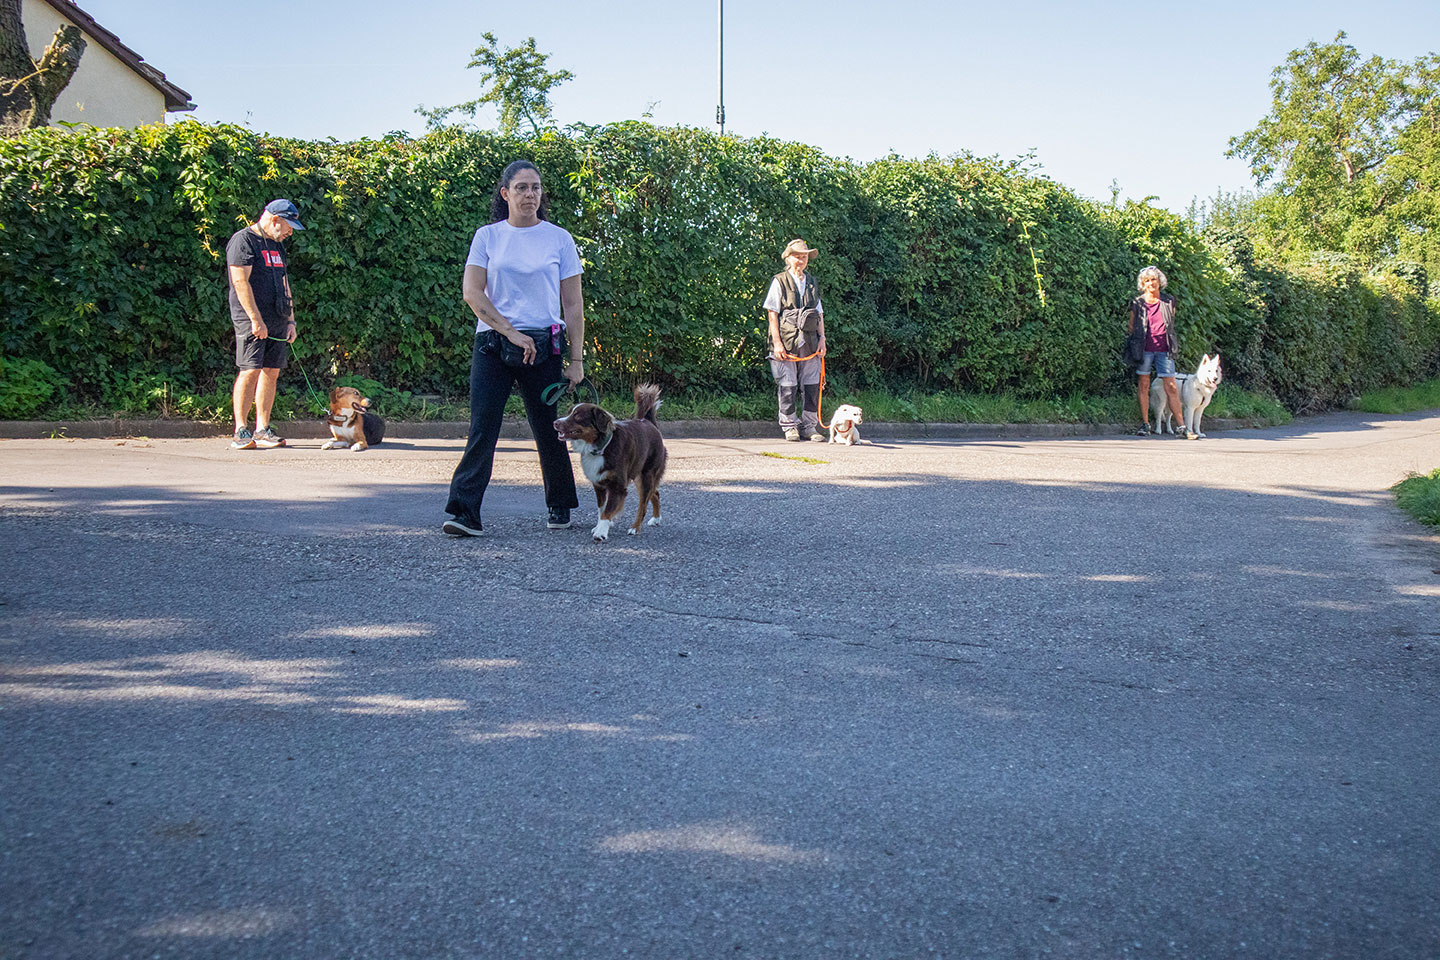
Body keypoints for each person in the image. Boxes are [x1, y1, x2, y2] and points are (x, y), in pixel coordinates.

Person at [443, 160, 585, 536]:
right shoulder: (487, 237)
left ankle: (560, 503)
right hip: (493, 344)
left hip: (544, 347)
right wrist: (509, 332)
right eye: (521, 188)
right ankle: (463, 513)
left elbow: (572, 304)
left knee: (549, 427)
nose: (530, 195)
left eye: (536, 187)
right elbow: (472, 292)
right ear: (505, 193)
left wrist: (575, 360)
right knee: (483, 427)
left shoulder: (559, 238)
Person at [226, 199, 304, 449]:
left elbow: (284, 282)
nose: (291, 231)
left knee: (271, 371)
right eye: (289, 226)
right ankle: (241, 430)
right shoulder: (243, 241)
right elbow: (240, 282)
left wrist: (290, 319)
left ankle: (262, 429)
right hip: (251, 319)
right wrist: (255, 319)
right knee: (250, 370)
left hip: (278, 317)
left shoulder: (277, 244)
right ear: (274, 219)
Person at [763, 238, 828, 441]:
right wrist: (777, 343)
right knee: (787, 385)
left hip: (810, 340)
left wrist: (822, 338)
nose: (801, 260)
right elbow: (772, 313)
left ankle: (810, 427)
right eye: (798, 256)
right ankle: (789, 425)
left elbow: (819, 312)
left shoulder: (812, 282)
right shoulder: (779, 280)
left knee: (812, 385)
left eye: (804, 256)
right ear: (789, 258)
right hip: (787, 338)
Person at [1129, 265, 1194, 439]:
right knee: (1143, 385)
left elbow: (1170, 323)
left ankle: (1182, 427)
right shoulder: (1138, 303)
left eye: (1154, 280)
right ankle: (1145, 424)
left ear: (1160, 282)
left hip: (1164, 349)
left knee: (1171, 387)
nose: (1151, 283)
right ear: (1143, 284)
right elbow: (1132, 326)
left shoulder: (1169, 301)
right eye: (1147, 281)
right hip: (1144, 350)